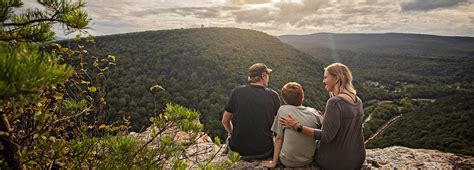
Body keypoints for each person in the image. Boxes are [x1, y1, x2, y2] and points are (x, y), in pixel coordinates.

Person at [280, 63, 366, 169]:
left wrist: (297, 127)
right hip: (357, 158)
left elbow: (325, 137)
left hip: (335, 162)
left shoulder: (334, 102)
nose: (323, 81)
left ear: (336, 78)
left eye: (326, 77)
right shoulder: (357, 100)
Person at [221, 63, 281, 160]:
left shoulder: (237, 92)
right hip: (264, 151)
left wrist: (232, 132)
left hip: (238, 151)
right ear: (263, 76)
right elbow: (278, 125)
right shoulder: (273, 96)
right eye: (268, 75)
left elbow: (225, 120)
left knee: (229, 139)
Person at [261, 82, 322, 168]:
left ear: (284, 100)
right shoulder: (314, 113)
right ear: (303, 96)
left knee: (276, 137)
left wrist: (273, 162)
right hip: (307, 160)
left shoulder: (283, 110)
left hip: (287, 161)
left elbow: (278, 138)